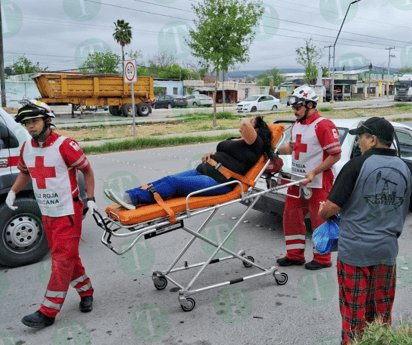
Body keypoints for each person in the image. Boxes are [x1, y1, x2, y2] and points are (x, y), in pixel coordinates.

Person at [5, 100, 98, 329]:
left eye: (34, 121)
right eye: (26, 123)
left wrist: (91, 199)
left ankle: (48, 312)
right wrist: (13, 191)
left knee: (61, 260)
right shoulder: (27, 148)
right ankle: (86, 292)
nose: (30, 126)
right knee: (68, 257)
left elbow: (86, 170)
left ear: (48, 121)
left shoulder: (65, 145)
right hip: (46, 213)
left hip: (68, 213)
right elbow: (26, 173)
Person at [318, 117, 412, 344]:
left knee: (354, 314)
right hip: (386, 252)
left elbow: (332, 207)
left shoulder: (356, 165)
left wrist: (323, 212)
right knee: (381, 313)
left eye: (361, 137)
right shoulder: (406, 168)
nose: (359, 142)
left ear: (373, 139)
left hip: (354, 253)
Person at [105, 116, 273, 209]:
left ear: (256, 130)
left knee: (173, 182)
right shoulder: (239, 141)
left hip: (219, 182)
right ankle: (129, 194)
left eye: (251, 122)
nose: (245, 124)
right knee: (168, 179)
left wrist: (250, 119)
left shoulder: (255, 144)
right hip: (204, 171)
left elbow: (243, 122)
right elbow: (227, 152)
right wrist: (212, 155)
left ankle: (133, 199)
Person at [276, 85, 342, 270]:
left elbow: (335, 155)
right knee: (291, 216)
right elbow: (292, 148)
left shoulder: (323, 125)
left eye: (298, 107)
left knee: (319, 220)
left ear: (311, 104)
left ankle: (323, 259)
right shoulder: (297, 125)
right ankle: (294, 255)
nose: (294, 111)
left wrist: (314, 172)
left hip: (319, 181)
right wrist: (274, 151)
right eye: (293, 108)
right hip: (297, 180)